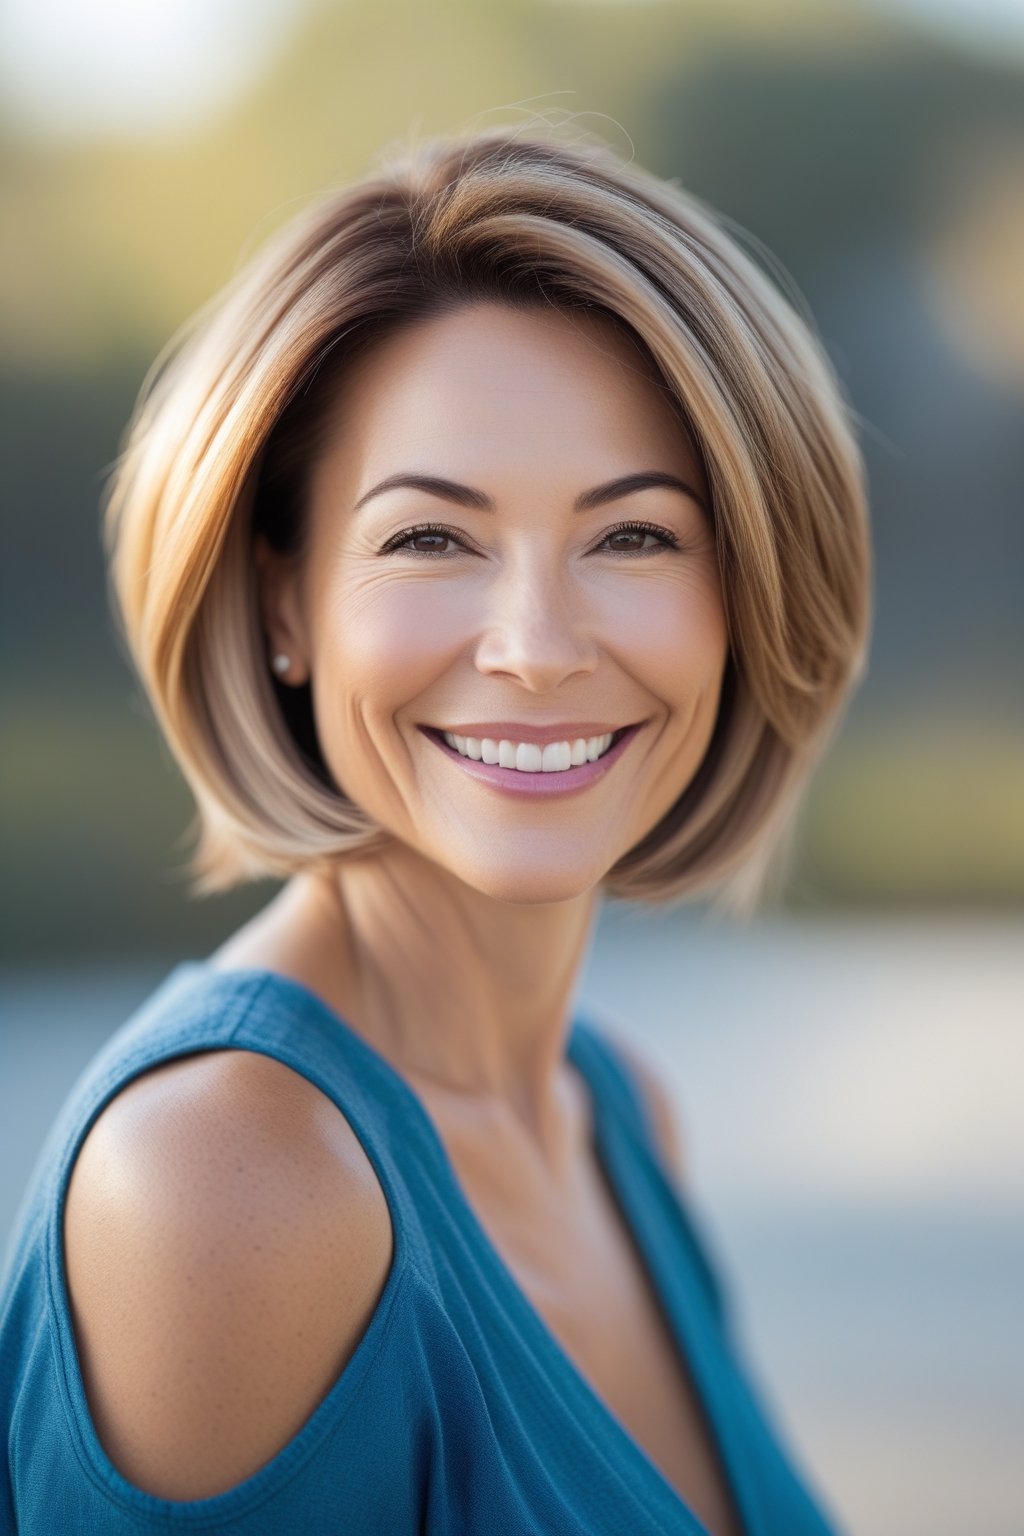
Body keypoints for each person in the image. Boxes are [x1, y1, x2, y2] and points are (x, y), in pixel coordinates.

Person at [0, 125, 870, 1535]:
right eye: (430, 538)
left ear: (745, 596)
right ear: (284, 605)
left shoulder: (621, 1114)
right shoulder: (228, 1185)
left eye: (636, 536)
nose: (534, 647)